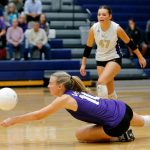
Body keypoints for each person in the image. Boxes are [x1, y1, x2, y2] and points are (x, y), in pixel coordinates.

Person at [1, 71, 150, 143]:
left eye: (50, 83)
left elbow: (39, 115)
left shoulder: (65, 98)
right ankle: (125, 129)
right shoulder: (76, 92)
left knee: (80, 135)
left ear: (60, 86)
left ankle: (121, 135)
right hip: (123, 108)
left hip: (117, 124)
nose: (48, 85)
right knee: (144, 121)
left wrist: (13, 120)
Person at [80, 5, 146, 99]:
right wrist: (83, 64)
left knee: (101, 82)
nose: (101, 16)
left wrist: (140, 57)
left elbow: (129, 43)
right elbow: (88, 47)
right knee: (109, 91)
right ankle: (115, 110)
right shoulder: (94, 28)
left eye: (104, 14)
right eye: (99, 14)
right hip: (100, 59)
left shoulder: (116, 28)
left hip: (114, 57)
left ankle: (102, 111)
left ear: (110, 16)